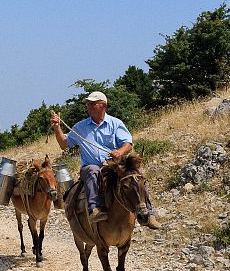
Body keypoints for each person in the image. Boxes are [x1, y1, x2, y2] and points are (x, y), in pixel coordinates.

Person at [50, 91, 159, 227]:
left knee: (136, 176)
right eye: (88, 104)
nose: (89, 106)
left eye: (93, 104)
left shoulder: (115, 123)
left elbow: (128, 144)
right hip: (91, 166)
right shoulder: (80, 127)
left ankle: (149, 212)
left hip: (114, 166)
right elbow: (64, 144)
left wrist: (120, 152)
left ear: (104, 106)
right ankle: (94, 208)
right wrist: (57, 127)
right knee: (92, 169)